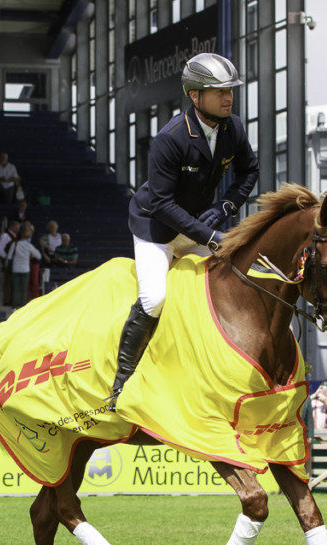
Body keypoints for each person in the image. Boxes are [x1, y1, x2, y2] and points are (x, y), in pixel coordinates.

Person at [109, 52, 258, 407]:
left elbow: (248, 171)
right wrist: (207, 236)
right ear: (195, 96)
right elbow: (161, 204)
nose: (228, 98)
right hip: (155, 229)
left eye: (230, 91)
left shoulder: (232, 127)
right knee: (155, 298)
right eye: (219, 91)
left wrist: (224, 208)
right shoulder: (170, 137)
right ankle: (121, 385)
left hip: (196, 224)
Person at [10, 223, 41, 308]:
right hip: (25, 269)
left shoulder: (15, 244)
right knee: (23, 290)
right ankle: (22, 307)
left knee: (16, 290)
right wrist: (30, 255)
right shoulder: (28, 245)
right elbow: (38, 255)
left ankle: (15, 307)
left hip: (16, 269)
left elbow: (9, 257)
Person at [0, 219, 19, 306]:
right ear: (12, 227)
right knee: (7, 281)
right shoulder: (6, 235)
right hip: (8, 260)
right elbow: (0, 249)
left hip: (13, 260)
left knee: (12, 281)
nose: (18, 229)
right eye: (17, 227)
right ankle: (7, 300)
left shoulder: (16, 236)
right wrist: (5, 259)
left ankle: (11, 299)